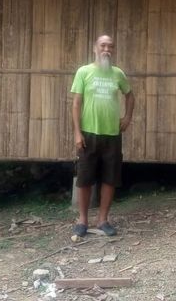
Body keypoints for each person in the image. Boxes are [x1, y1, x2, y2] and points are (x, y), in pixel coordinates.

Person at [70, 35, 135, 237]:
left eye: (110, 46)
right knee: (85, 178)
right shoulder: (84, 72)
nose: (106, 49)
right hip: (88, 133)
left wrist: (127, 117)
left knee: (110, 178)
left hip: (112, 134)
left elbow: (130, 95)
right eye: (103, 45)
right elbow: (76, 103)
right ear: (95, 48)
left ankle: (103, 220)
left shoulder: (118, 74)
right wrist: (77, 132)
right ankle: (82, 220)